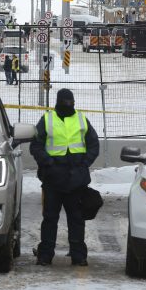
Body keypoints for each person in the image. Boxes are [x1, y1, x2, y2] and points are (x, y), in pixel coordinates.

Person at [30, 89, 100, 267]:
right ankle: (45, 255)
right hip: (53, 178)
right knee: (50, 219)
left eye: (71, 102)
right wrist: (48, 163)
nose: (69, 106)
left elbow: (94, 144)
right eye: (65, 103)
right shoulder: (48, 119)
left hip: (76, 179)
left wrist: (84, 164)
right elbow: (36, 145)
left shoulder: (81, 119)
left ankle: (78, 256)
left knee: (76, 219)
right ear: (59, 102)